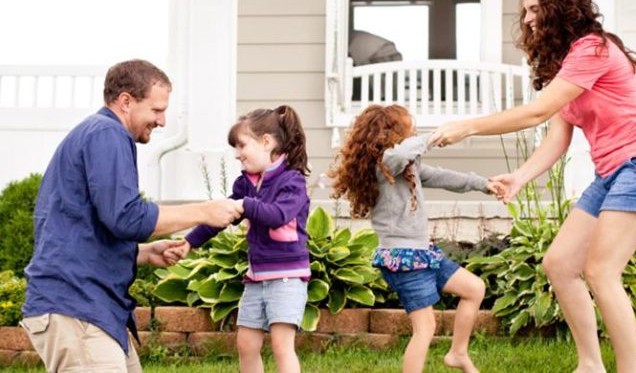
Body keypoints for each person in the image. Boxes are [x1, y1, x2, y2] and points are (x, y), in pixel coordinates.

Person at [430, 0, 636, 372]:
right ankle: (590, 365)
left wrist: (468, 127)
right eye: (526, 11)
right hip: (614, 171)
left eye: (535, 10)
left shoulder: (592, 49)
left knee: (601, 270)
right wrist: (521, 177)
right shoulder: (566, 65)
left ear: (559, 9)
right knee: (560, 264)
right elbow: (558, 136)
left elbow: (535, 113)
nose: (528, 20)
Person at [21, 59, 240, 373]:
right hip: (75, 307)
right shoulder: (106, 134)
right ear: (125, 101)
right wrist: (204, 210)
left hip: (88, 308)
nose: (162, 121)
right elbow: (126, 217)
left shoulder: (99, 135)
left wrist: (144, 253)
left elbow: (80, 230)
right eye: (156, 109)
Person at [329, 104, 503, 373]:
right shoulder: (386, 164)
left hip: (421, 253)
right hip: (403, 258)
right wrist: (434, 137)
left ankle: (458, 353)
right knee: (425, 328)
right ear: (391, 133)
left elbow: (443, 177)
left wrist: (483, 184)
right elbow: (401, 154)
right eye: (409, 128)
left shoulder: (406, 165)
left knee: (474, 289)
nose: (415, 132)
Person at [170, 105, 311, 373]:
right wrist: (190, 241)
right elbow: (221, 215)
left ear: (266, 141)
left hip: (286, 277)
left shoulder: (292, 182)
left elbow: (279, 215)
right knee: (246, 344)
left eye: (241, 146)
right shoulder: (246, 183)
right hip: (256, 277)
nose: (237, 154)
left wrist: (245, 205)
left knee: (282, 346)